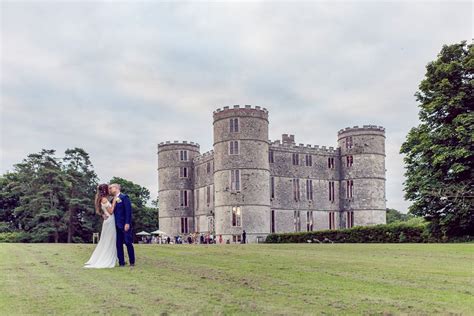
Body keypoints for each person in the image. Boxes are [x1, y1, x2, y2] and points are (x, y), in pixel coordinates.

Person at [84, 184, 119, 268]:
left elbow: (102, 211)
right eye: (108, 188)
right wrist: (114, 202)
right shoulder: (104, 199)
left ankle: (107, 256)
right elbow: (110, 211)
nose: (109, 189)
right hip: (110, 221)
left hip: (107, 221)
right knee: (109, 240)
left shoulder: (102, 199)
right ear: (105, 190)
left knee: (106, 240)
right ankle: (106, 258)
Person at [109, 183, 135, 267]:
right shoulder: (112, 200)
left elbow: (128, 211)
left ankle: (132, 262)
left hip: (124, 224)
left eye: (111, 187)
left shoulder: (124, 197)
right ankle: (121, 262)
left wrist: (127, 223)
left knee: (128, 242)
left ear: (116, 188)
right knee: (118, 244)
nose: (109, 189)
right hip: (115, 225)